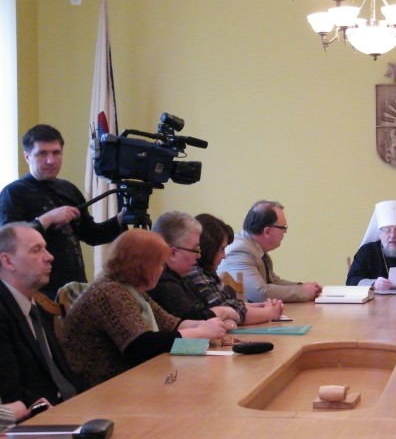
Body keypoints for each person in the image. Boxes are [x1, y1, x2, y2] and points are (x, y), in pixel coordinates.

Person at [61, 229, 233, 387]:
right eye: (159, 264)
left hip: (128, 381)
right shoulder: (108, 292)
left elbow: (171, 323)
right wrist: (201, 332)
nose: (162, 270)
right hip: (101, 388)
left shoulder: (132, 290)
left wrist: (212, 326)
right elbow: (141, 345)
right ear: (142, 265)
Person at [0, 124, 125, 300]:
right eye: (42, 154)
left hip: (76, 289)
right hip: (40, 293)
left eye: (56, 153)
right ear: (27, 157)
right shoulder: (14, 192)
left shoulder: (69, 189)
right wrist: (47, 219)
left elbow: (91, 235)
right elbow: (8, 242)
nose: (50, 160)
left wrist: (120, 220)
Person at [0, 222, 86, 407]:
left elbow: (64, 376)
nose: (49, 257)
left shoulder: (36, 306)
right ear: (8, 261)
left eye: (45, 248)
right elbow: (11, 393)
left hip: (70, 406)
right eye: (36, 250)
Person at [217, 200, 322, 303]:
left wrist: (303, 287)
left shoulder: (254, 248)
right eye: (283, 227)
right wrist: (302, 292)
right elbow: (259, 294)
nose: (285, 232)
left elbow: (272, 282)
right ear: (267, 231)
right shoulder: (240, 250)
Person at [188, 213, 284, 325]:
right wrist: (270, 313)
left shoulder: (208, 272)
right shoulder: (196, 273)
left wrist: (262, 306)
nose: (224, 256)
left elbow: (230, 304)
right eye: (221, 249)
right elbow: (230, 311)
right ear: (208, 248)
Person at [147, 211, 241, 323]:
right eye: (195, 250)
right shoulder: (163, 282)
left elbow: (204, 311)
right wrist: (224, 312)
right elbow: (192, 321)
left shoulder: (183, 278)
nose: (198, 256)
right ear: (172, 254)